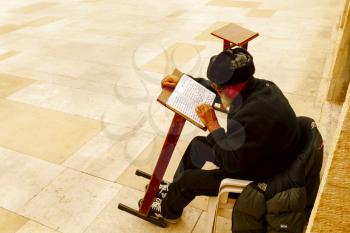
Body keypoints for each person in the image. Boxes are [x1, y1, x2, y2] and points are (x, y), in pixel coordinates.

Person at [139, 46, 302, 223]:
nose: (216, 91)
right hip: (256, 154)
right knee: (198, 145)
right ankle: (174, 192)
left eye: (219, 89)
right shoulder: (258, 87)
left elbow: (231, 163)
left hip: (261, 174)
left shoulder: (255, 115)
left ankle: (168, 211)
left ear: (231, 89)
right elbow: (218, 91)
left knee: (189, 180)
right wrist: (185, 82)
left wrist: (213, 124)